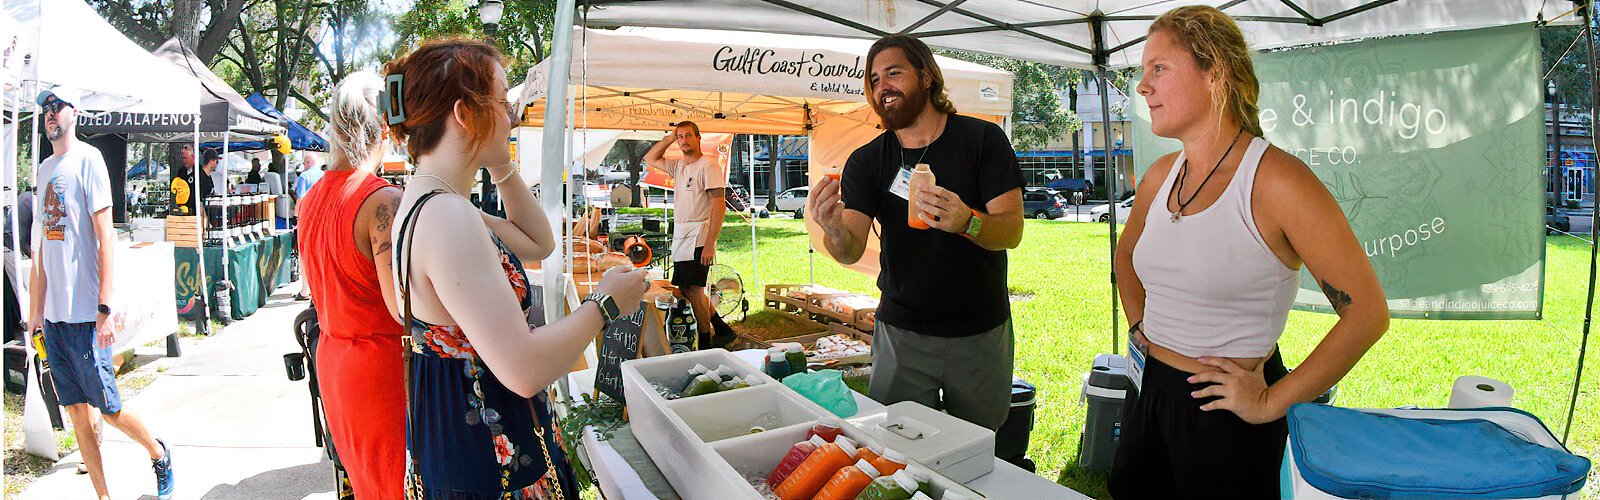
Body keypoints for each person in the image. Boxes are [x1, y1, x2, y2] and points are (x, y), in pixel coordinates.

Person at [1108, 6, 1390, 497]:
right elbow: (1126, 257)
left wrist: (1268, 402)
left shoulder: (1278, 181)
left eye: (1159, 68)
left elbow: (1367, 315)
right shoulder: (1161, 175)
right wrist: (1139, 329)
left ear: (1214, 72)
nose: (1142, 86)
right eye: (1142, 70)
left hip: (1226, 412)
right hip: (1150, 389)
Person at [383, 37, 649, 498]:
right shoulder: (449, 215)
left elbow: (537, 243)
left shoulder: (429, 199)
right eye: (503, 104)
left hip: (456, 435)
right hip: (488, 450)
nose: (512, 116)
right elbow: (523, 367)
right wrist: (605, 305)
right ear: (464, 113)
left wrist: (500, 162)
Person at [806, 34, 1025, 431]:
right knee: (900, 451)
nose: (882, 87)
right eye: (874, 80)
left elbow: (1011, 230)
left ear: (926, 77)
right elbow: (850, 249)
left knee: (977, 448)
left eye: (893, 73)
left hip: (978, 331)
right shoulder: (868, 160)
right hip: (901, 335)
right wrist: (832, 227)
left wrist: (967, 222)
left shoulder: (982, 140)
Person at [27, 87, 175, 500]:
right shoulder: (42, 171)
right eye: (45, 109)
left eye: (56, 106)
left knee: (108, 409)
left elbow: (105, 238)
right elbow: (40, 248)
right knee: (76, 414)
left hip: (85, 315)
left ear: (75, 112)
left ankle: (158, 452)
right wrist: (36, 312)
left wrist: (104, 307)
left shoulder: (89, 160)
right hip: (55, 321)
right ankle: (103, 496)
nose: (50, 114)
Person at [298, 72, 406, 499]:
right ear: (384, 127)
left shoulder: (310, 199)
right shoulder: (382, 200)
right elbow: (401, 306)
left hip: (335, 361)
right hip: (380, 370)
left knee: (365, 485)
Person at [642, 121, 736, 348]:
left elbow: (718, 205)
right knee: (686, 289)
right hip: (682, 236)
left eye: (688, 136)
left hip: (698, 236)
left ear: (698, 137)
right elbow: (650, 158)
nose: (684, 140)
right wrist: (670, 137)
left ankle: (706, 342)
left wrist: (710, 244)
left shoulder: (708, 165)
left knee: (694, 290)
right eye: (680, 136)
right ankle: (723, 330)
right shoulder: (679, 167)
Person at [293, 152, 325, 301]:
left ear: (306, 163)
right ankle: (319, 287)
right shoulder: (324, 176)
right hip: (323, 219)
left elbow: (300, 198)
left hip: (307, 219)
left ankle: (306, 290)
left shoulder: (304, 177)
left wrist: (295, 216)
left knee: (304, 254)